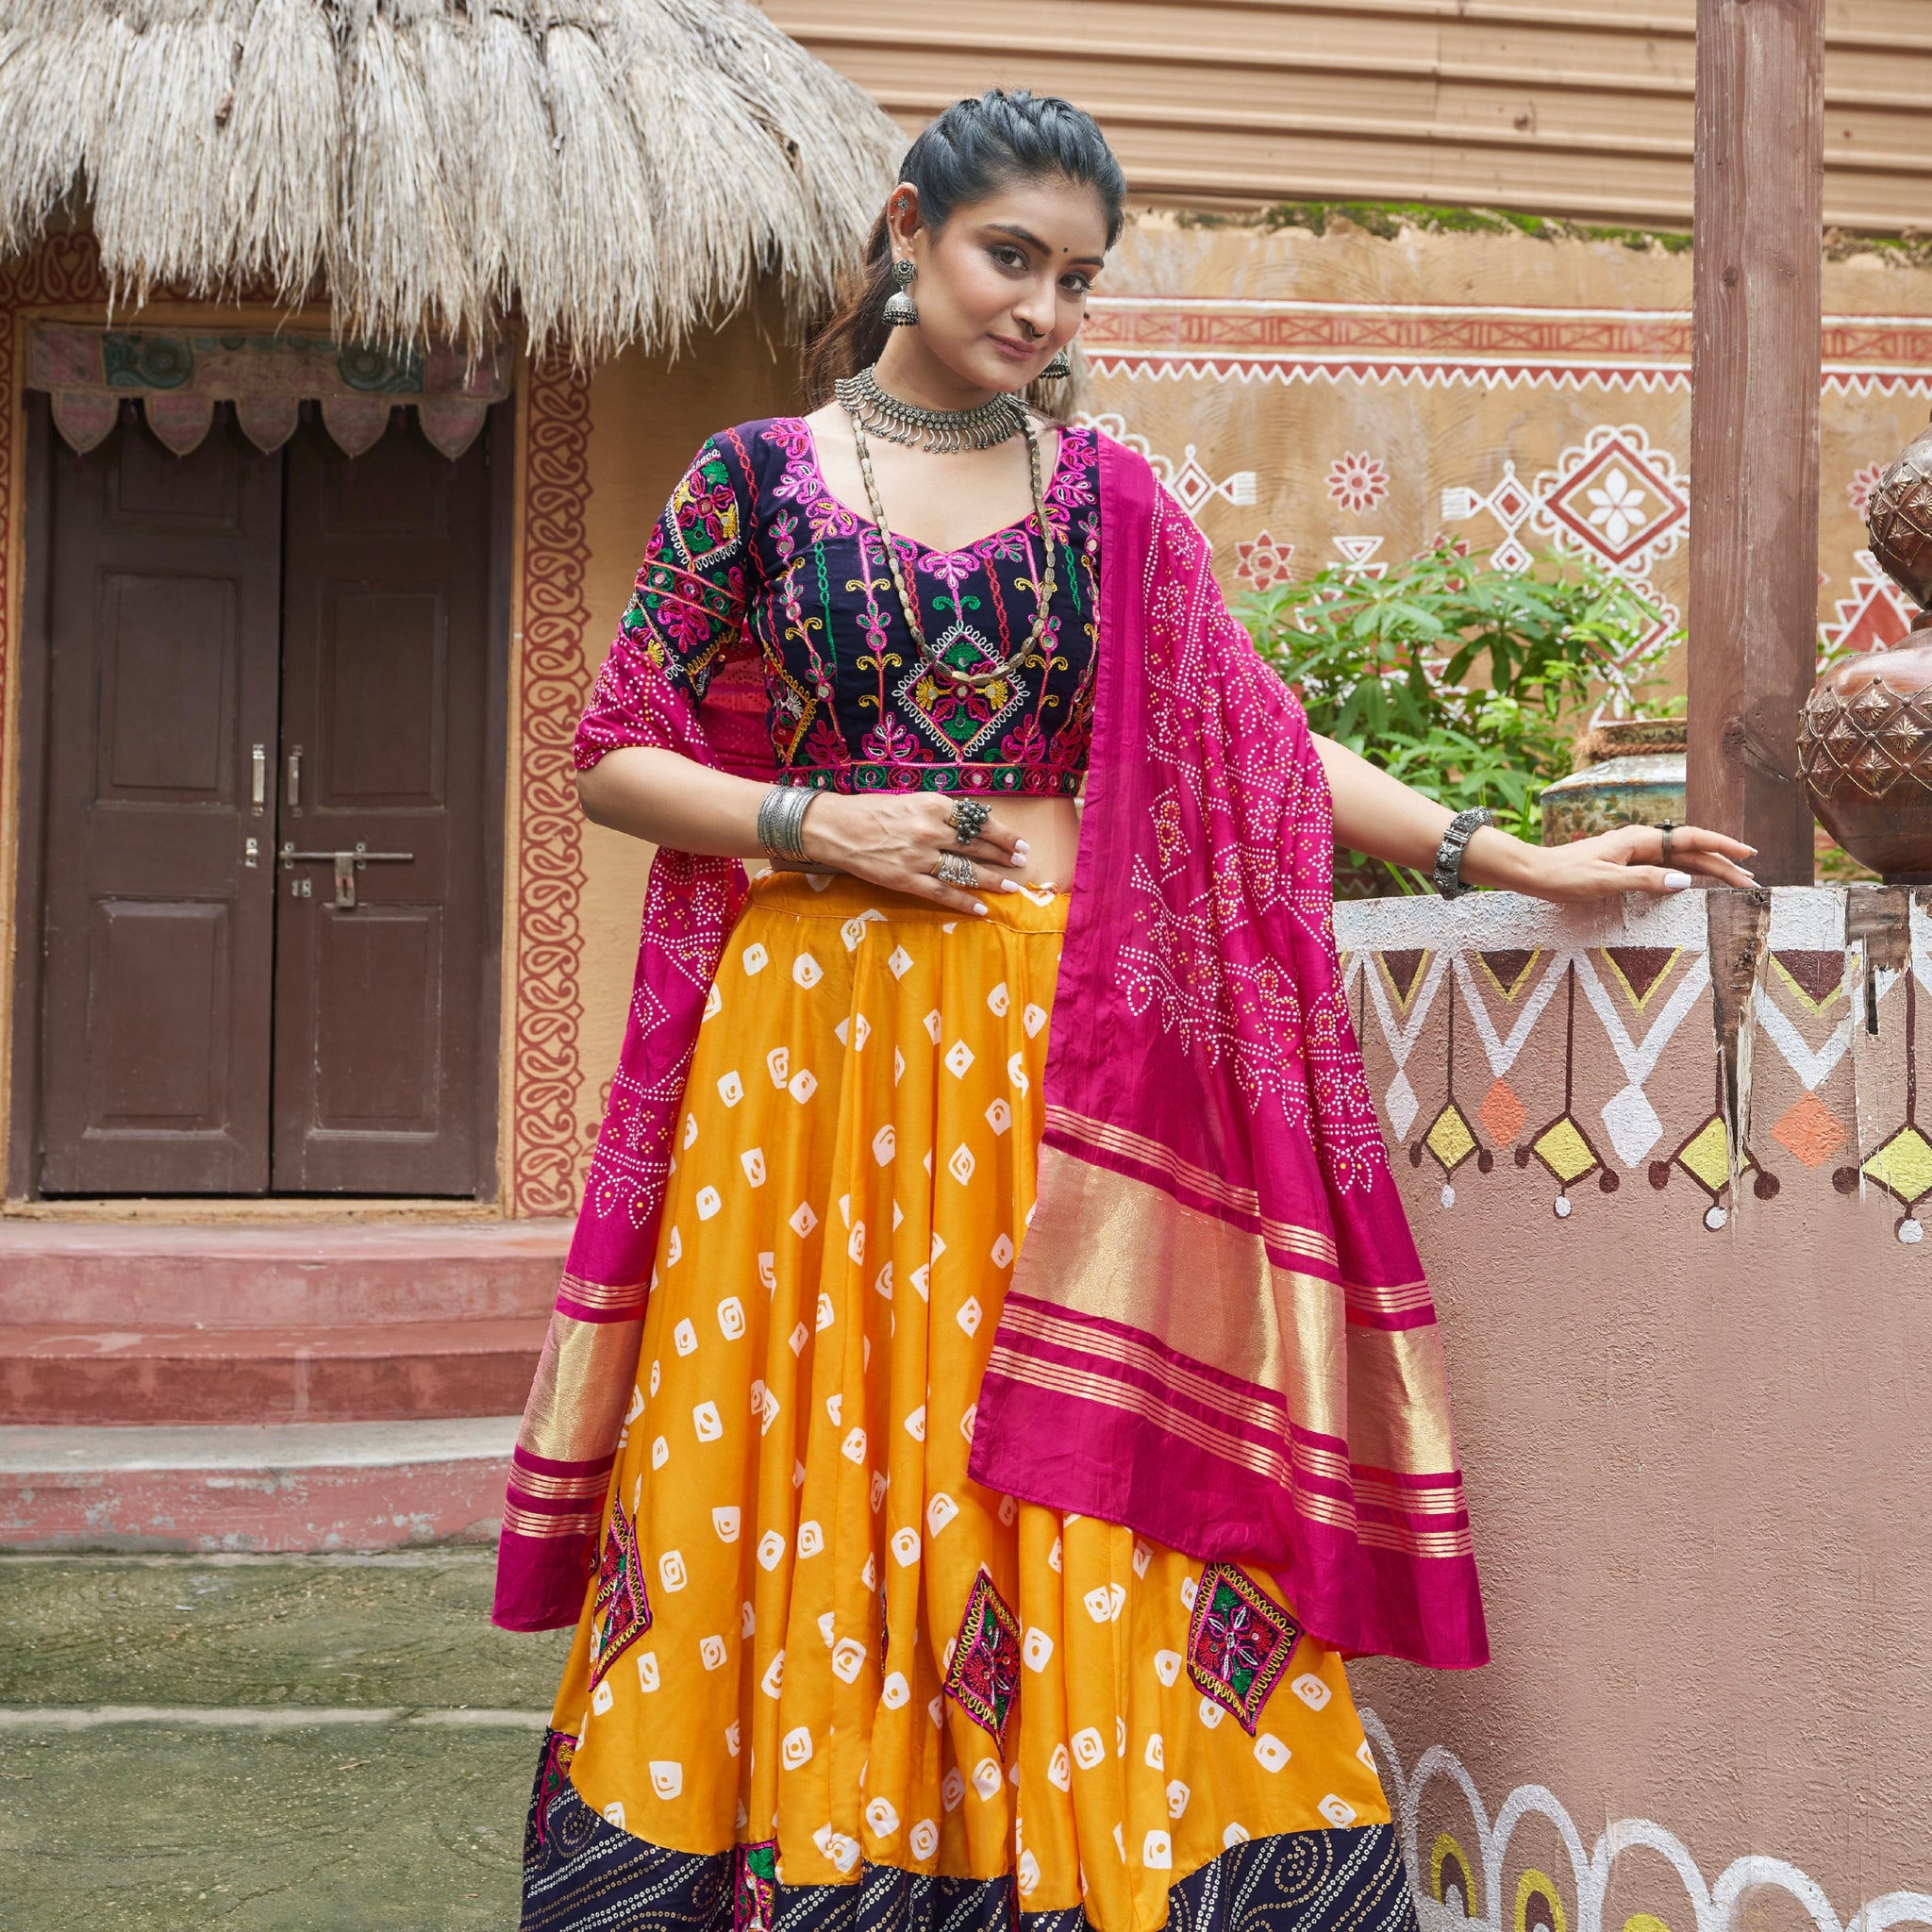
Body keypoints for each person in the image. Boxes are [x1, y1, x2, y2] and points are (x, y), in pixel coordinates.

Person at [497, 89, 1756, 1932]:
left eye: (1076, 280)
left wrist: (1501, 849)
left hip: (1047, 1053)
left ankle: (1119, 1864)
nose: (1042, 309)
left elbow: (1259, 741)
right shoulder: (751, 485)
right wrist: (812, 819)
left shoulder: (1107, 503)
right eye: (1013, 256)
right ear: (911, 231)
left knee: (1076, 1465)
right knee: (818, 1449)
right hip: (809, 1057)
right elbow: (616, 753)